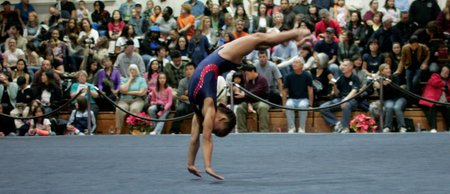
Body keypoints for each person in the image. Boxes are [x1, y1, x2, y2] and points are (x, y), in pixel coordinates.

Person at [187, 28, 308, 180]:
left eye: (211, 128)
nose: (209, 128)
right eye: (213, 128)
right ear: (222, 119)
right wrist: (199, 165)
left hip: (223, 56)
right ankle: (294, 34)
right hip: (222, 57)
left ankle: (294, 34)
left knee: (259, 39)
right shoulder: (204, 109)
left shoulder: (206, 107)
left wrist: (200, 164)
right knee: (259, 40)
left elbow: (200, 138)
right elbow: (200, 138)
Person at [319, 59, 361, 133]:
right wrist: (334, 86)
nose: (342, 67)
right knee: (323, 107)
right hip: (340, 99)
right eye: (342, 65)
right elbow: (337, 94)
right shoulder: (340, 78)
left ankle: (345, 128)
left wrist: (345, 100)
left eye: (345, 65)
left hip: (352, 100)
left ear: (351, 67)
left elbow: (354, 91)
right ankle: (337, 124)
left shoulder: (355, 78)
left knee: (346, 105)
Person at [370, 64, 407, 133]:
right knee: (389, 107)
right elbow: (382, 94)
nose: (389, 70)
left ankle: (402, 127)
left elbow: (396, 90)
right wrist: (382, 85)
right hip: (387, 99)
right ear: (382, 71)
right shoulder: (378, 81)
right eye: (386, 69)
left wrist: (388, 84)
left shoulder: (395, 77)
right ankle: (387, 127)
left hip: (399, 98)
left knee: (397, 107)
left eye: (389, 68)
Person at [282, 57, 313, 133]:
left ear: (302, 65)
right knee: (288, 105)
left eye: (296, 62)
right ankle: (291, 128)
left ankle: (302, 128)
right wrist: (283, 105)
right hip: (292, 98)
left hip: (303, 99)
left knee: (302, 106)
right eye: (293, 62)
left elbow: (310, 91)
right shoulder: (288, 76)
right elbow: (284, 91)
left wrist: (310, 105)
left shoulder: (307, 75)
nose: (294, 64)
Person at [419, 65, 450, 133]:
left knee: (448, 108)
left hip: (442, 102)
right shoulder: (435, 75)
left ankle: (449, 128)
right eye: (443, 71)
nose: (444, 73)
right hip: (430, 100)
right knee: (432, 107)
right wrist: (445, 85)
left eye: (446, 72)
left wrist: (446, 87)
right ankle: (433, 128)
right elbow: (435, 82)